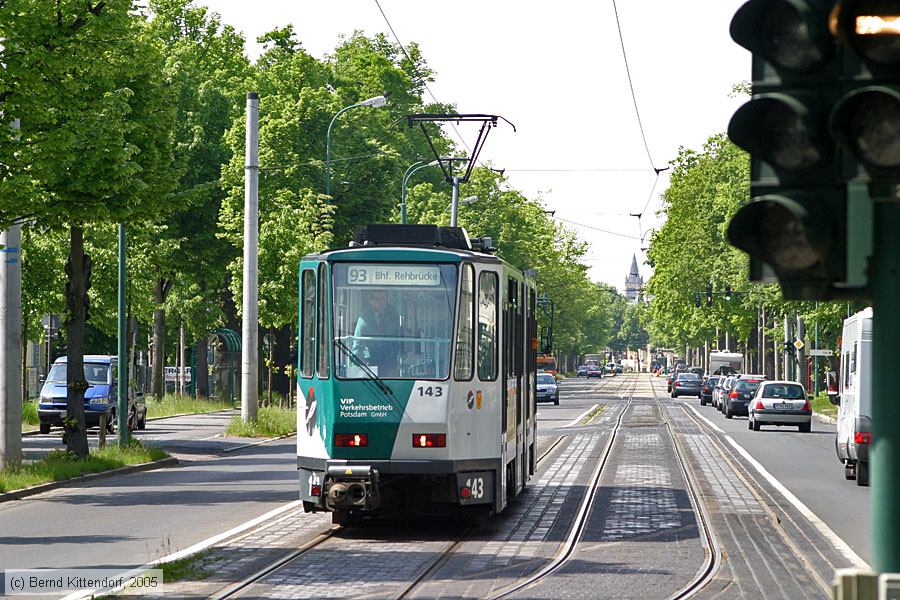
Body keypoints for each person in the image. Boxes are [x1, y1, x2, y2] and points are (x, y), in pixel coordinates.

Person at [353, 290, 401, 376]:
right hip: (371, 364)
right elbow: (357, 345)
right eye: (378, 299)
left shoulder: (393, 314)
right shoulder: (364, 318)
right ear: (370, 300)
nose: (382, 302)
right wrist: (363, 365)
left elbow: (398, 338)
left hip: (390, 364)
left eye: (384, 298)